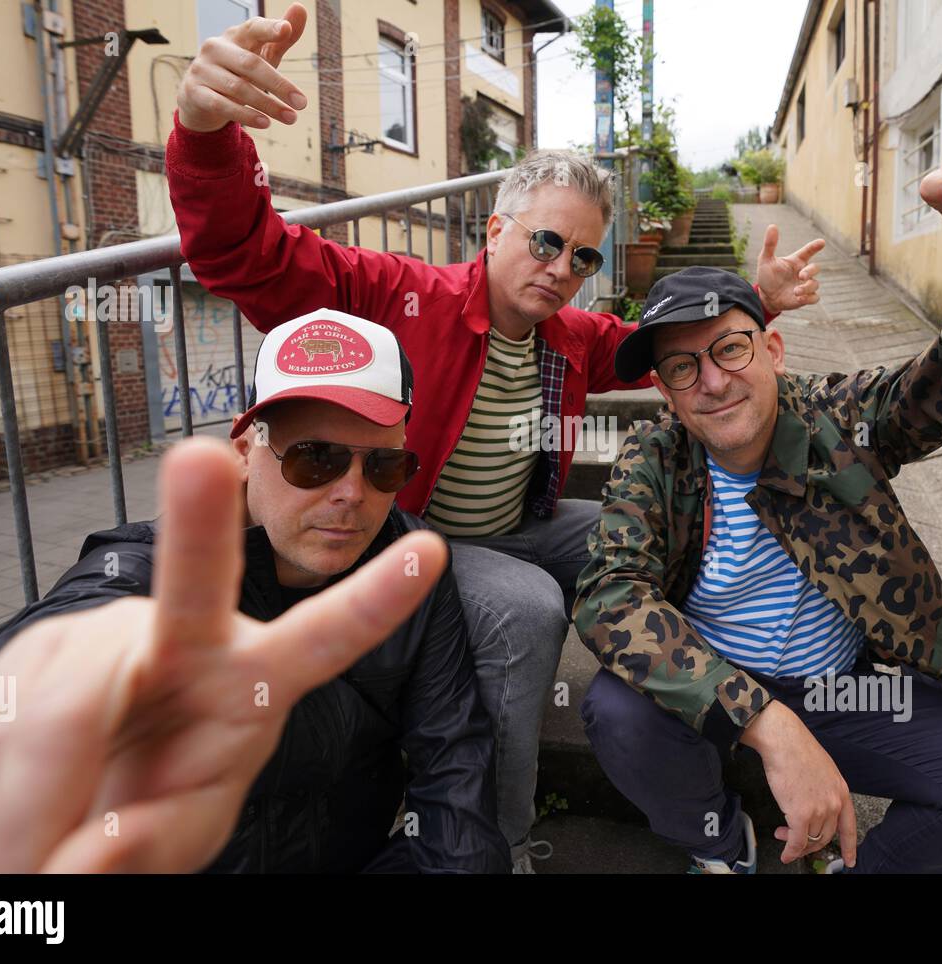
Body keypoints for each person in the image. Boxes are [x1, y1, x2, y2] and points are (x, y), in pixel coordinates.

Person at [165, 4, 824, 870]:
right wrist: (206, 132)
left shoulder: (568, 337)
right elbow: (250, 257)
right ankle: (499, 838)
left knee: (664, 532)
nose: (561, 269)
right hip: (416, 534)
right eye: (546, 242)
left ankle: (719, 728)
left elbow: (649, 352)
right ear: (494, 231)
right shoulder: (402, 296)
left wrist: (757, 301)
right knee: (525, 610)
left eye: (584, 258)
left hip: (520, 523)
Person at [574, 112, 942, 873]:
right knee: (613, 706)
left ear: (773, 349)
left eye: (730, 348)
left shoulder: (840, 417)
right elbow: (608, 594)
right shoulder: (655, 456)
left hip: (847, 696)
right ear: (666, 390)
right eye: (683, 367)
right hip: (715, 695)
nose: (711, 381)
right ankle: (723, 847)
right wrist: (766, 721)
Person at [0, 311, 509, 874]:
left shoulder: (409, 566)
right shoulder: (156, 570)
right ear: (244, 450)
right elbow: (13, 679)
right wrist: (69, 685)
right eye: (315, 458)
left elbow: (452, 760)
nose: (351, 493)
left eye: (384, 465)